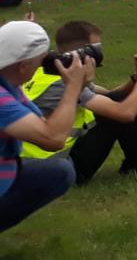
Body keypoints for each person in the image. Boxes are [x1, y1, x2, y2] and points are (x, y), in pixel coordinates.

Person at [22, 20, 137, 182]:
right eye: (97, 49)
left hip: (40, 163)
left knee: (115, 101)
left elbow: (108, 95)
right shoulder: (62, 83)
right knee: (117, 108)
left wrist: (136, 78)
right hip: (58, 168)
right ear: (84, 52)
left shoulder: (46, 74)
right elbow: (124, 113)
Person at [0, 19, 89, 232]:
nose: (43, 66)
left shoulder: (10, 85)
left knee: (58, 170)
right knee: (59, 171)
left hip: (8, 166)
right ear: (23, 66)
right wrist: (72, 88)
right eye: (41, 61)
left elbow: (42, 124)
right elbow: (53, 139)